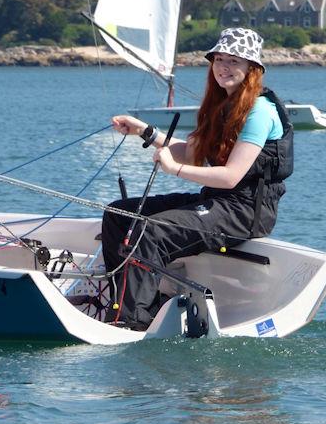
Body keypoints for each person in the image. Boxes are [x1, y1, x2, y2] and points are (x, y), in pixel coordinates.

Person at [101, 27, 293, 330]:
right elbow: (192, 153)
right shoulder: (222, 105)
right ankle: (116, 302)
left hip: (245, 212)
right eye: (219, 60)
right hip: (217, 201)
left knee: (150, 232)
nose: (224, 68)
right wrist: (144, 132)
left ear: (252, 69)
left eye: (234, 61)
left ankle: (133, 322)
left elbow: (230, 177)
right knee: (119, 214)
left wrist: (172, 170)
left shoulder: (260, 111)